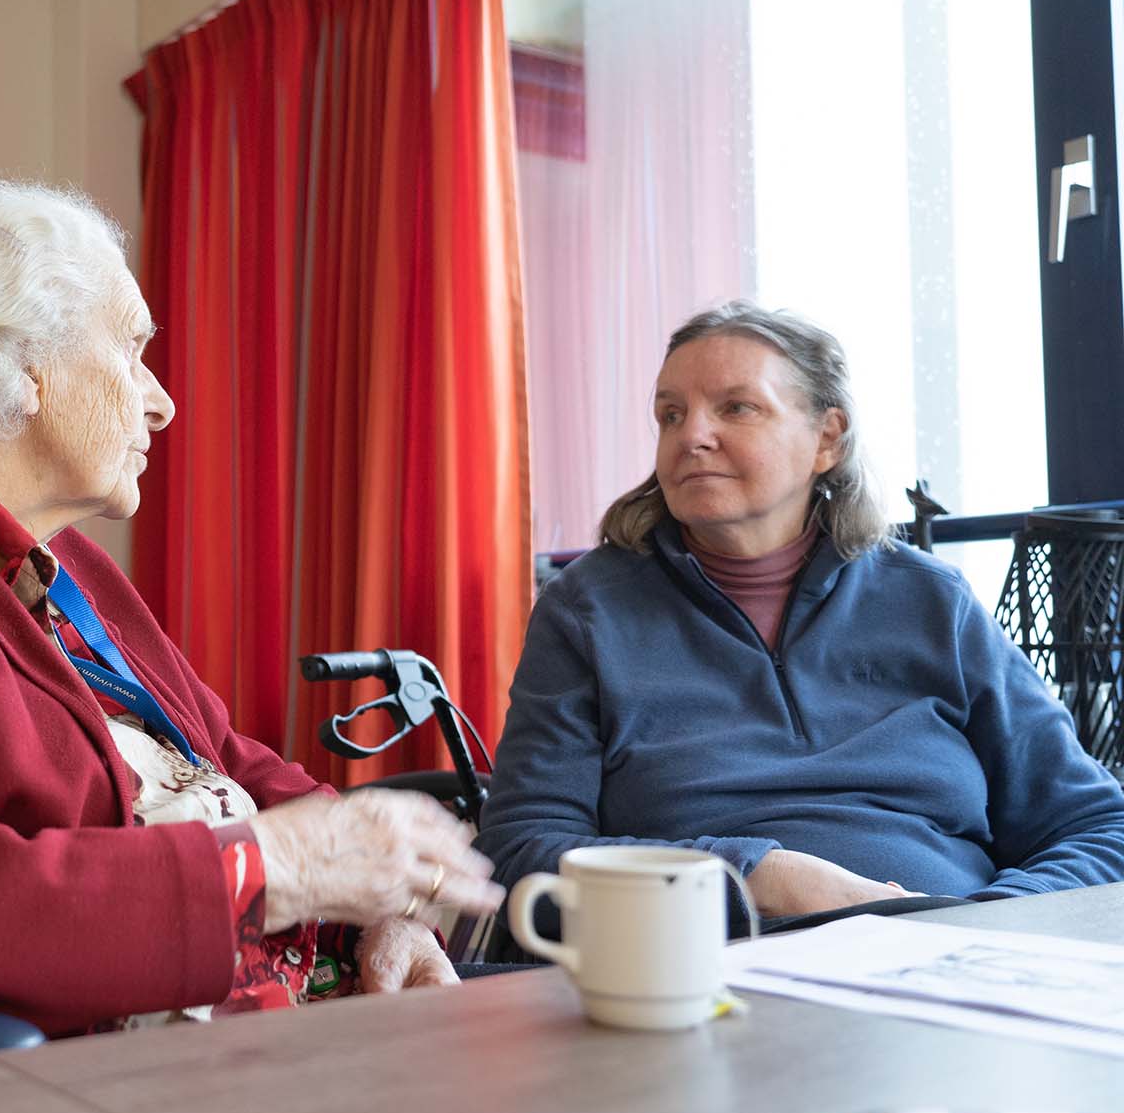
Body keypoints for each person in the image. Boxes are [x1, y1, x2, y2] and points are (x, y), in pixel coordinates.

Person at [0, 180, 499, 1036]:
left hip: (285, 1028)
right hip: (72, 1094)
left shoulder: (69, 566)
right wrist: (277, 871)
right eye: (132, 350)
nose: (162, 401)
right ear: (25, 363)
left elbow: (222, 760)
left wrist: (380, 904)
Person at [475, 300, 1124, 926]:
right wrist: (751, 878)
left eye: (736, 407)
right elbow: (523, 852)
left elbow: (1096, 825)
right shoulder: (587, 611)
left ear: (826, 439)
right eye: (670, 414)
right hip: (713, 972)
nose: (692, 435)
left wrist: (982, 928)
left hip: (953, 964)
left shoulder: (933, 603)